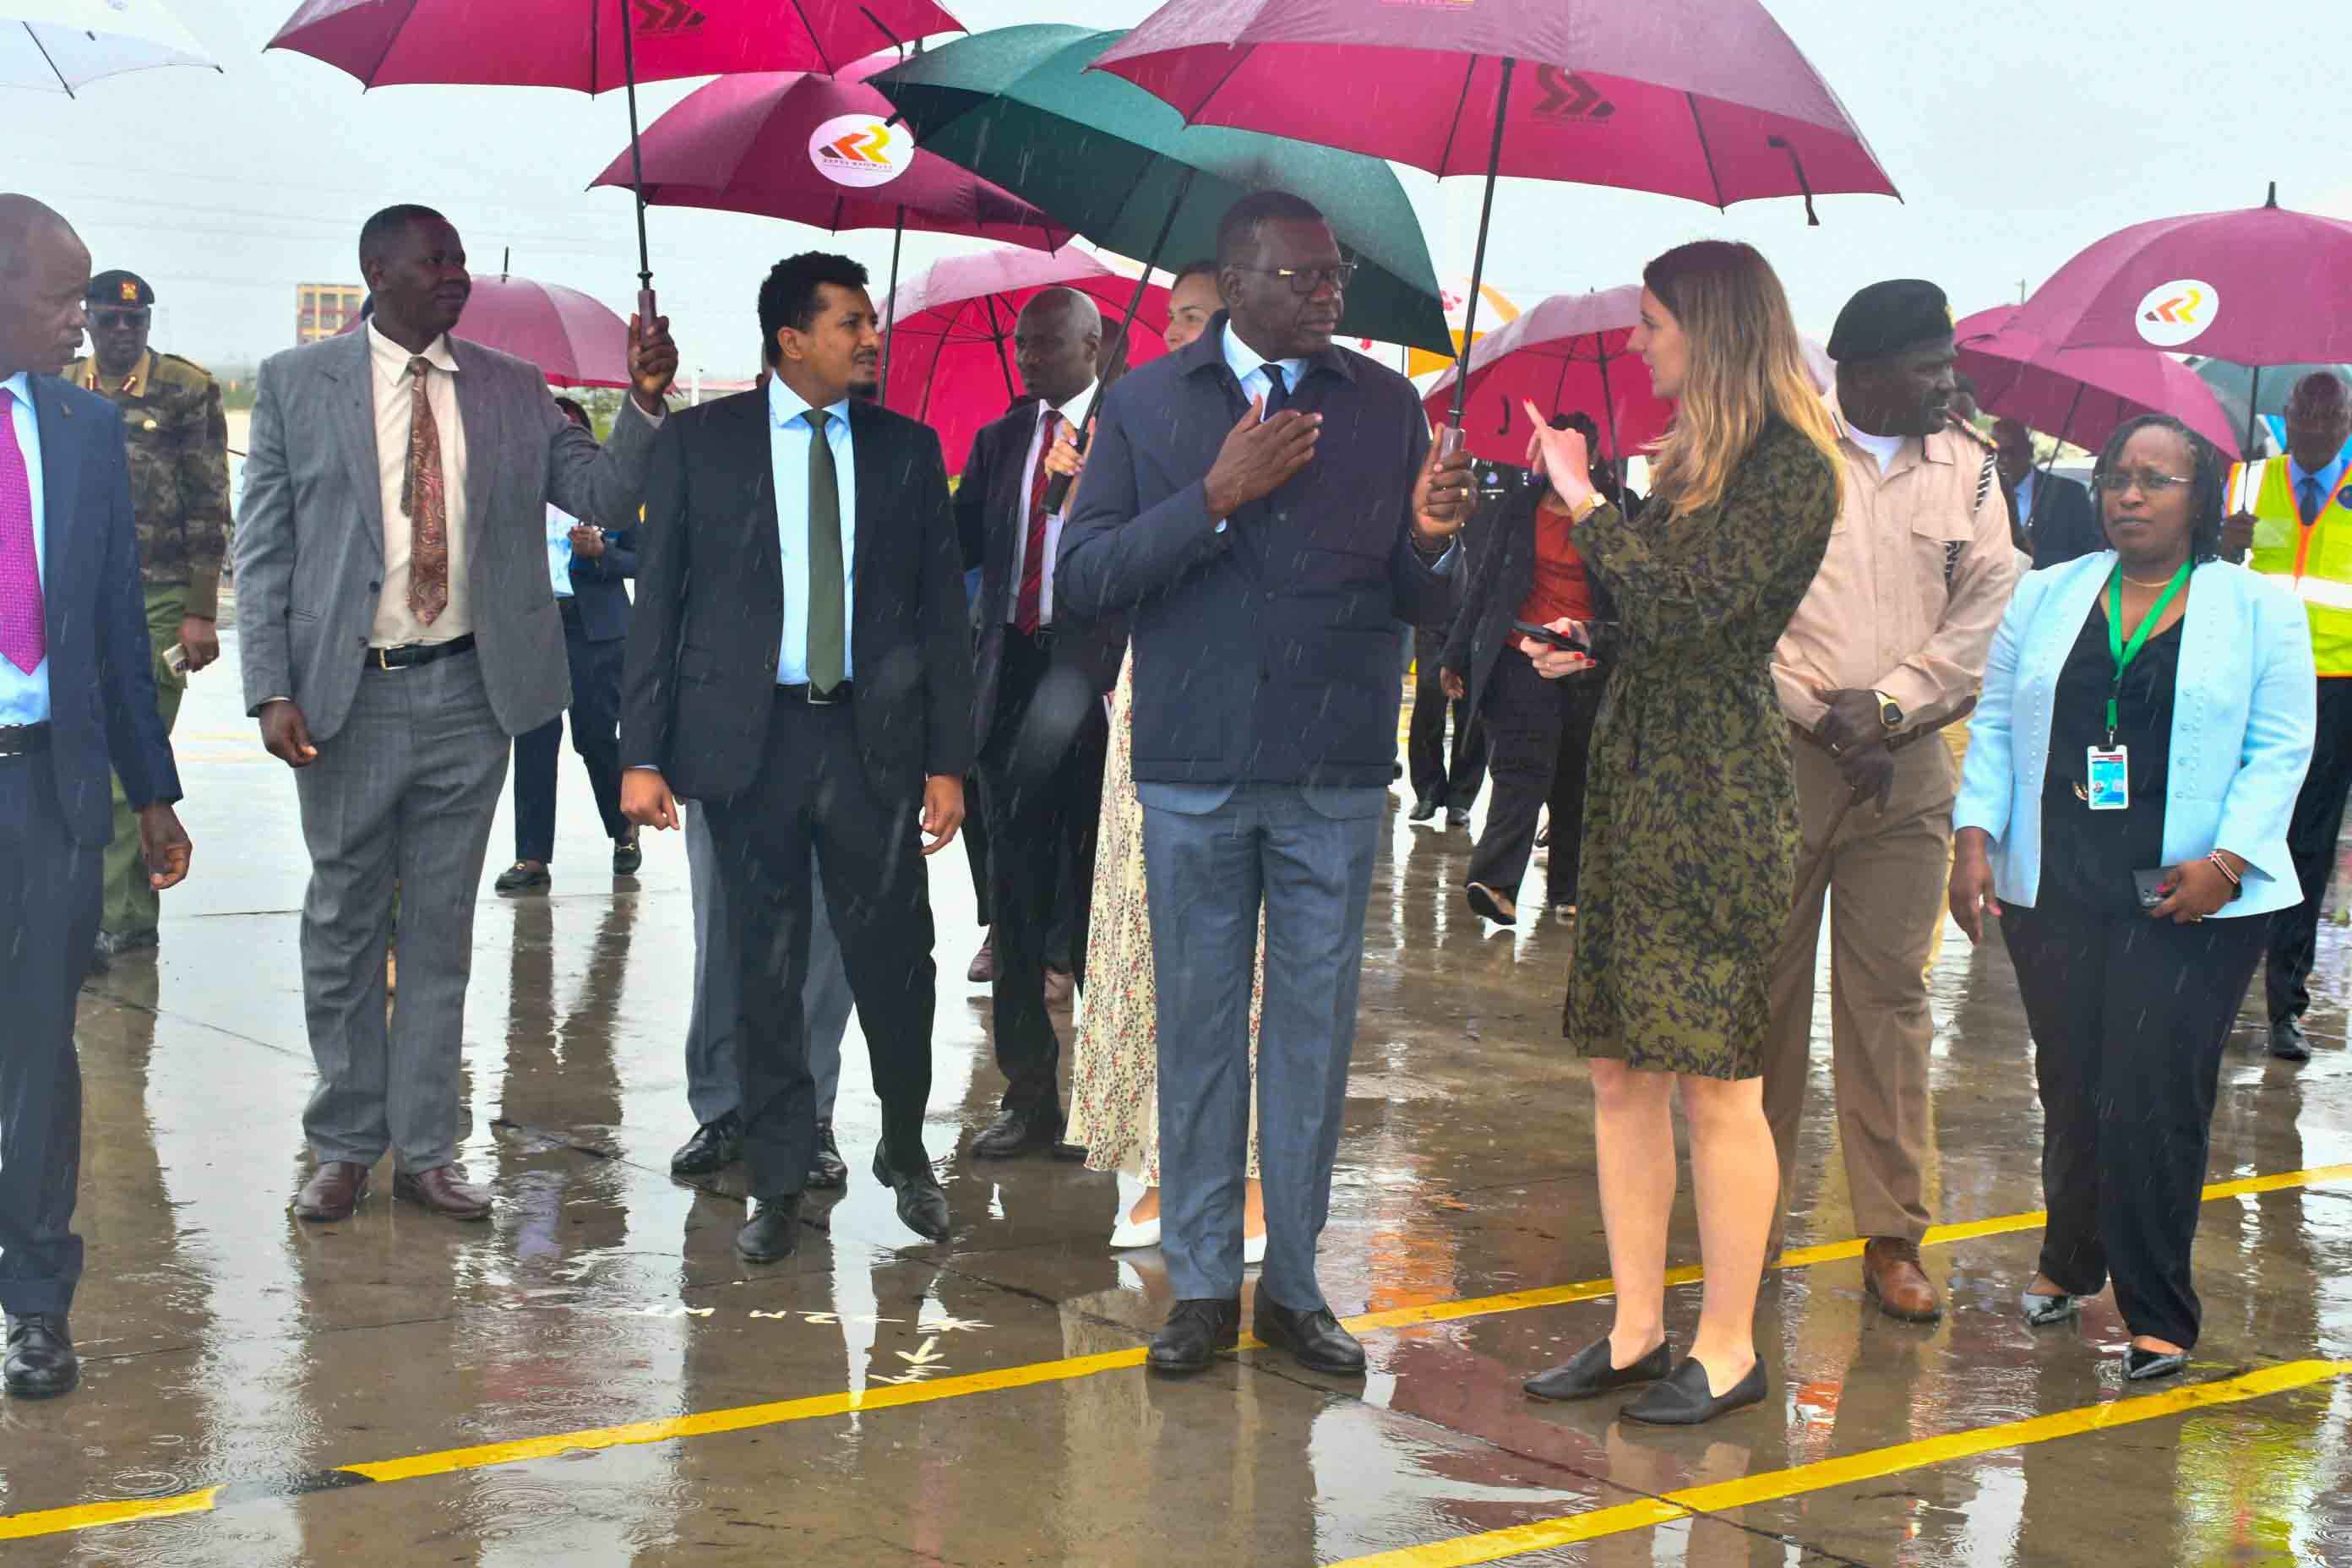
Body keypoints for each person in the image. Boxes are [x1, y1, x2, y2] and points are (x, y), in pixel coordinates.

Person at [1059, 189, 1473, 1378]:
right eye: (1306, 277)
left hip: (1333, 772)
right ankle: (1201, 1287)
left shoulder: (1388, 407)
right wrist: (1216, 495)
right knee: (1197, 1038)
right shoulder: (1146, 404)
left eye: (1336, 276)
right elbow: (1087, 574)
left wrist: (1435, 538)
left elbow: (1418, 598)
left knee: (1311, 1037)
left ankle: (1293, 1285)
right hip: (1192, 769)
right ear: (1236, 284)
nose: (1332, 295)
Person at [235, 204, 675, 1226]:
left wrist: (644, 403)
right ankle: (344, 1142)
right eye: (436, 260)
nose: (457, 275)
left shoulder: (515, 390)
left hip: (471, 692)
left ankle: (428, 1151)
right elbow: (263, 551)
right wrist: (270, 685)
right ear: (375, 271)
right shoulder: (300, 386)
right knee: (345, 922)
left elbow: (606, 493)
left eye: (462, 260)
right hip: (347, 695)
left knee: (440, 929)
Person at [1515, 239, 1842, 1425]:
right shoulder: (1696, 465)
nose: (1639, 344)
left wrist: (1588, 500)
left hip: (1717, 795)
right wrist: (1589, 644)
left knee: (1715, 1081)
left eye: (1652, 323)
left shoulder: (1793, 469)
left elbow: (1697, 613)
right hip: (1641, 767)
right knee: (1619, 1065)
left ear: (1708, 328)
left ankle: (1729, 1345)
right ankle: (1638, 1329)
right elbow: (1656, 620)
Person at [620, 252, 972, 1260]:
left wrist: (950, 761)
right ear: (791, 338)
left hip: (874, 743)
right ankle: (776, 1180)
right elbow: (663, 609)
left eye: (871, 322)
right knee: (763, 968)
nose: (872, 339)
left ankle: (905, 1150)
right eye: (852, 323)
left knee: (898, 962)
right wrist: (641, 755)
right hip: (750, 743)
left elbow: (945, 617)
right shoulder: (701, 444)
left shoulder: (907, 449)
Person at [1951, 414, 2315, 1381]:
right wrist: (1974, 835)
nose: (2130, 495)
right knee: (2071, 1078)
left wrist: (2230, 859)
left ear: (2204, 501)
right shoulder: (2049, 593)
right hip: (2059, 874)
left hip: (2192, 893)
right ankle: (2071, 1258)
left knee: (2154, 1087)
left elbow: (2283, 747)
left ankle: (2158, 1312)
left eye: (2158, 479)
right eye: (2118, 476)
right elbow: (1995, 722)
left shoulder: (2256, 608)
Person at [1761, 280, 2017, 1325]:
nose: (1949, 380)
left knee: (1891, 1003)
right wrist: (1823, 713)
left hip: (1904, 772)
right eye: (1928, 364)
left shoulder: (1973, 468)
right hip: (1780, 757)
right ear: (1860, 372)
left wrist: (1894, 709)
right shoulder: (1780, 452)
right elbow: (1745, 604)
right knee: (1760, 1000)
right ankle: (1752, 1220)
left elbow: (1986, 606)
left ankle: (1892, 1235)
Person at [0, 195, 192, 1398]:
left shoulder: (77, 430)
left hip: (50, 792)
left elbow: (119, 627)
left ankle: (36, 1298)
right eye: (60, 297)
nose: (81, 320)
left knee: (41, 1051)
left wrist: (155, 796)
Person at [1054, 286, 1268, 1258]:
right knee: (1141, 933)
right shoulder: (1141, 412)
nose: (1185, 332)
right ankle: (1151, 1158)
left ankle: (1248, 1178)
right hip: (1156, 704)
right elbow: (1090, 572)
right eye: (1179, 315)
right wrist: (1192, 497)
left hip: (1276, 714)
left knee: (1258, 958)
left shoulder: (1317, 414)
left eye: (1204, 315)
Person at [955, 287, 1125, 1160]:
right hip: (1013, 678)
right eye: (1022, 345)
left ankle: (1113, 1100)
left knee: (1105, 898)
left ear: (1093, 344)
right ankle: (1029, 1096)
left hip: (1097, 679)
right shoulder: (999, 440)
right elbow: (955, 547)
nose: (1028, 359)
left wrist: (1086, 490)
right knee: (1015, 899)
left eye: (1046, 343)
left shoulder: (1129, 433)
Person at [62, 270, 227, 972]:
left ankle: (124, 918)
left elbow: (210, 502)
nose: (124, 331)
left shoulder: (186, 390)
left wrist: (199, 609)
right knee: (80, 752)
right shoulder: (63, 384)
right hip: (77, 591)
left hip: (159, 595)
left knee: (135, 752)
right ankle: (99, 908)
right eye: (110, 320)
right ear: (89, 321)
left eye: (137, 321)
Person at [2224, 371, 2352, 1063]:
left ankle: (2285, 1007)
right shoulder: (2246, 481)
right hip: (2255, 680)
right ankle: (2216, 989)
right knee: (2239, 831)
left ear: (2347, 420)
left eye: (2329, 417)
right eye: (2303, 414)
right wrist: (2224, 541)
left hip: (2338, 685)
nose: (2314, 428)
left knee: (2308, 845)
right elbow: (2208, 572)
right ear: (2285, 415)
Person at [1443, 411, 1610, 926]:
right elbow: (1484, 580)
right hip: (1520, 655)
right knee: (1521, 769)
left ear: (1592, 458)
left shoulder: (1614, 515)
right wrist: (1454, 655)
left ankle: (1568, 888)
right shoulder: (1520, 507)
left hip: (1588, 663)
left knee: (1573, 776)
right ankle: (1495, 883)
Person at [493, 397, 642, 894]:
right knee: (534, 741)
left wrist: (604, 554)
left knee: (596, 739)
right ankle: (531, 858)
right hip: (535, 627)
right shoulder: (516, 493)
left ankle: (622, 830)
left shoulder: (610, 496)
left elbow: (647, 558)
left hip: (594, 631)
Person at [1994, 416, 2101, 569]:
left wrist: (2036, 555)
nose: (2002, 460)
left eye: (2010, 452)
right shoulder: (1983, 491)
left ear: (2029, 451)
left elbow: (2088, 554)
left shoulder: (2069, 494)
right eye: (1994, 453)